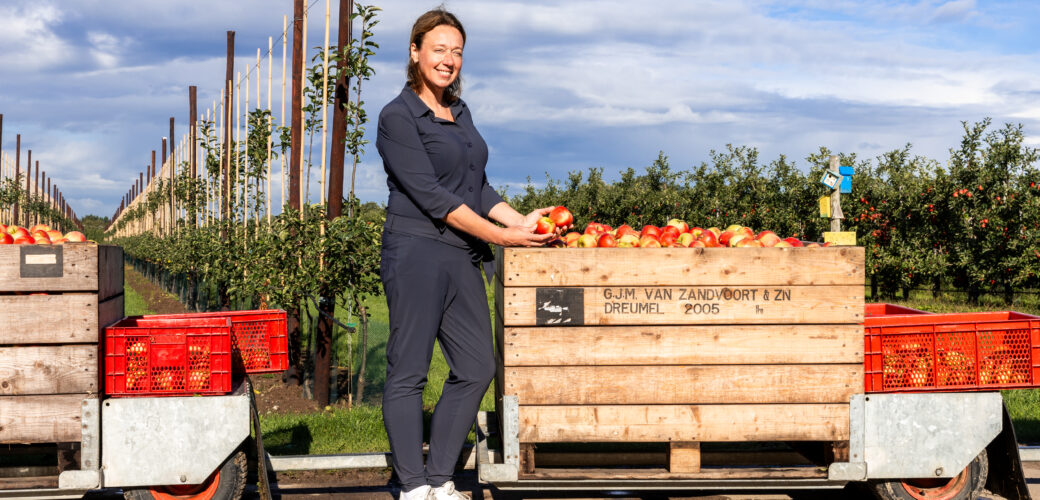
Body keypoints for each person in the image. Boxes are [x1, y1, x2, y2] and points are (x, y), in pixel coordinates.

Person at [376, 8, 565, 500]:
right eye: (439, 49)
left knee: (478, 366)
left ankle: (439, 477)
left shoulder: (460, 113)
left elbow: (475, 187)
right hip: (416, 251)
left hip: (461, 253)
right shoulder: (398, 117)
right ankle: (413, 486)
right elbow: (434, 197)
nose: (449, 59)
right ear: (415, 53)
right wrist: (503, 240)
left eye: (457, 51)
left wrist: (520, 221)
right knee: (409, 370)